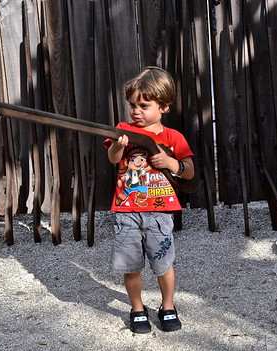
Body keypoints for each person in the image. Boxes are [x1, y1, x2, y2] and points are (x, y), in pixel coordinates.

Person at [104, 66, 195, 333]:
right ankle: (137, 308)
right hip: (126, 210)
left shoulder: (172, 137)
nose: (136, 111)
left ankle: (168, 306)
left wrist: (170, 162)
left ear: (164, 107)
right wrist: (119, 146)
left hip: (160, 213)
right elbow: (113, 159)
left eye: (144, 105)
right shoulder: (122, 130)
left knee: (163, 265)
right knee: (131, 267)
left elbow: (189, 171)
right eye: (132, 105)